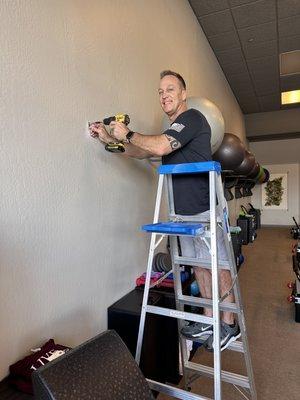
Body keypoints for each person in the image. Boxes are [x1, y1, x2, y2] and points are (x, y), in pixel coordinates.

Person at [89, 70, 240, 351]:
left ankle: (229, 323)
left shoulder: (192, 119)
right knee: (199, 266)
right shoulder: (172, 132)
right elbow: (142, 151)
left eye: (170, 89)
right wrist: (107, 139)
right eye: (160, 91)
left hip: (204, 208)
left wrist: (130, 133)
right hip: (182, 213)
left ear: (184, 94)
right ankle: (209, 318)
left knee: (216, 265)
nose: (164, 95)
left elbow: (155, 144)